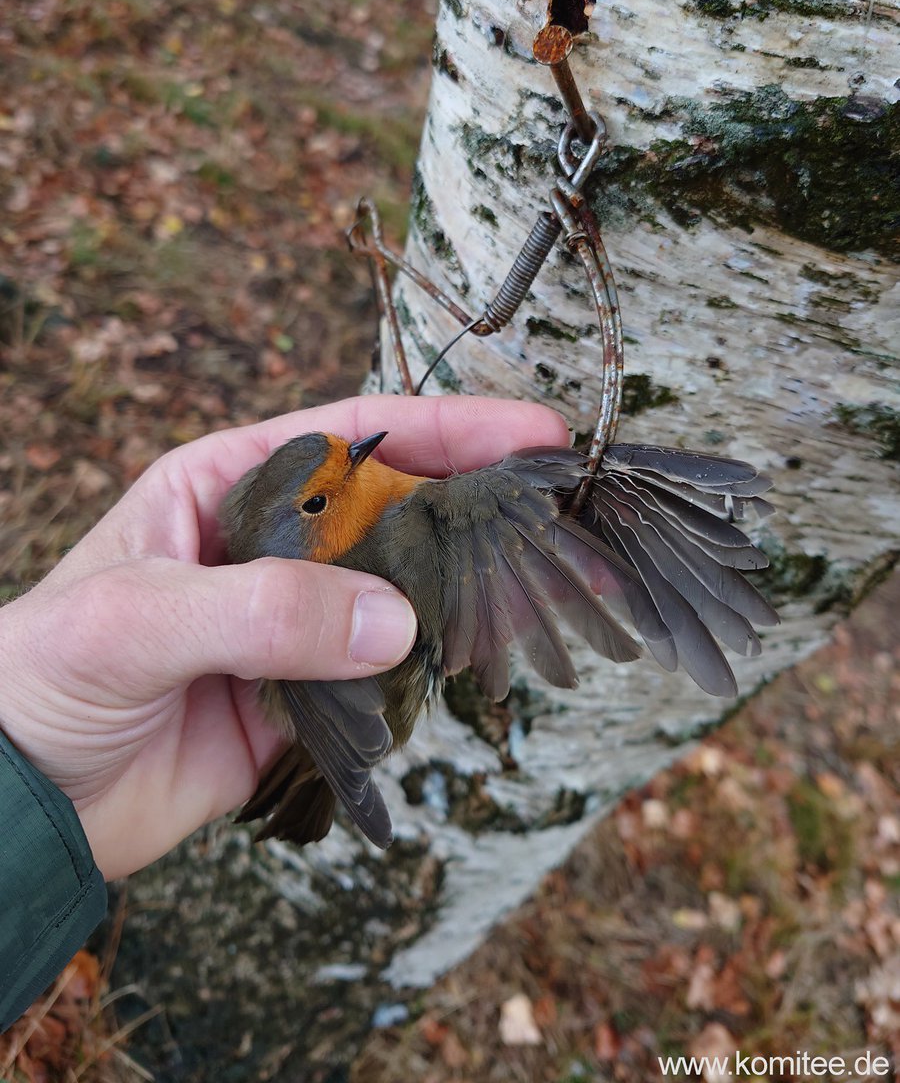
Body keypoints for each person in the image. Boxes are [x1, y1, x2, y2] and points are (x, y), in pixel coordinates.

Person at [0, 393, 568, 1030]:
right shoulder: (325, 559)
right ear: (300, 533)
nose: (357, 455)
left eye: (344, 451)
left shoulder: (368, 504)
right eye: (318, 502)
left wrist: (34, 796)